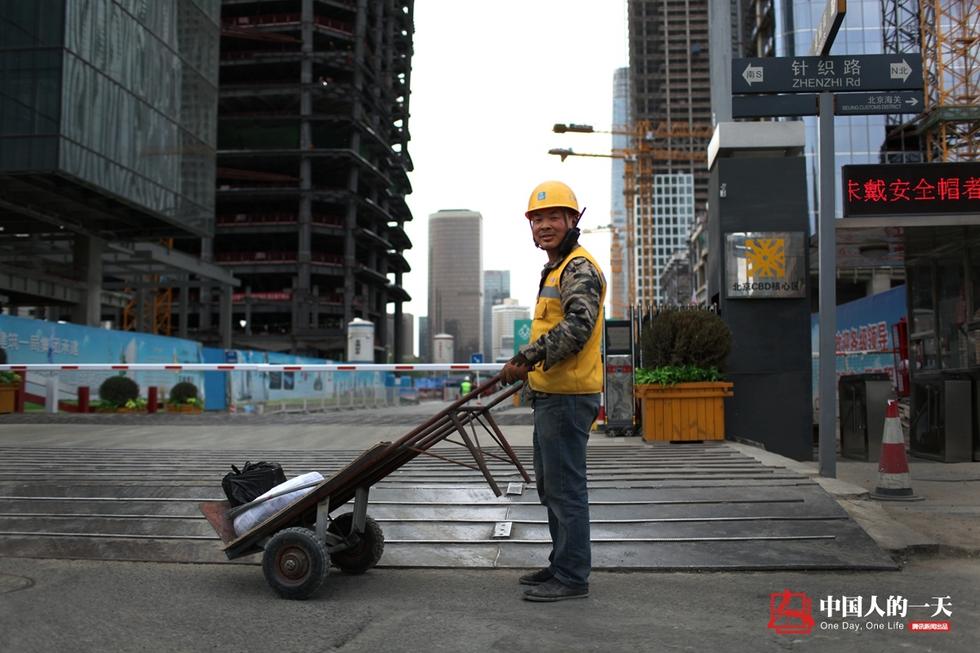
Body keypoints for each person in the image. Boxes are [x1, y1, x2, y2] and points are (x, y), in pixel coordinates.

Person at [500, 180, 605, 602]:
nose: (544, 225)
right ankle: (561, 563)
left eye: (553, 218)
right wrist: (530, 368)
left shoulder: (578, 267)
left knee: (566, 489)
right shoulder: (558, 267)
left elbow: (578, 327)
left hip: (568, 397)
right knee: (552, 486)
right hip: (552, 394)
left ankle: (573, 576)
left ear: (572, 221)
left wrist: (526, 357)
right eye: (537, 219)